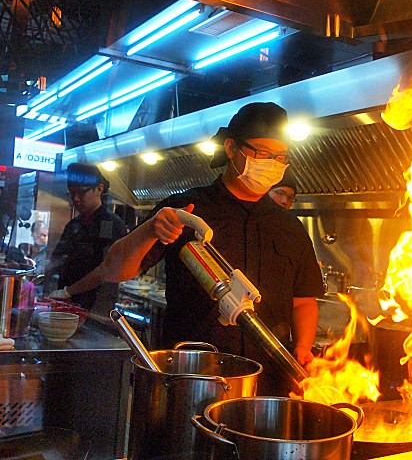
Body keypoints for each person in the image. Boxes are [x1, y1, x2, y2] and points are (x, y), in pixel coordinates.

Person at [95, 102, 324, 395]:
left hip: (270, 384)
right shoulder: (185, 211)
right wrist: (150, 229)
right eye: (263, 154)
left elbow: (303, 300)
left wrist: (303, 348)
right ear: (231, 148)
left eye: (280, 158)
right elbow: (114, 271)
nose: (272, 164)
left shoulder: (290, 227)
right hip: (196, 378)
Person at [47, 163, 126, 310]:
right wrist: (38, 272)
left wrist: (67, 292)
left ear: (99, 189)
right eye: (71, 193)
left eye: (81, 192)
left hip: (96, 308)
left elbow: (107, 270)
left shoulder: (110, 224)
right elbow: (57, 259)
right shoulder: (73, 225)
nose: (76, 199)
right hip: (67, 304)